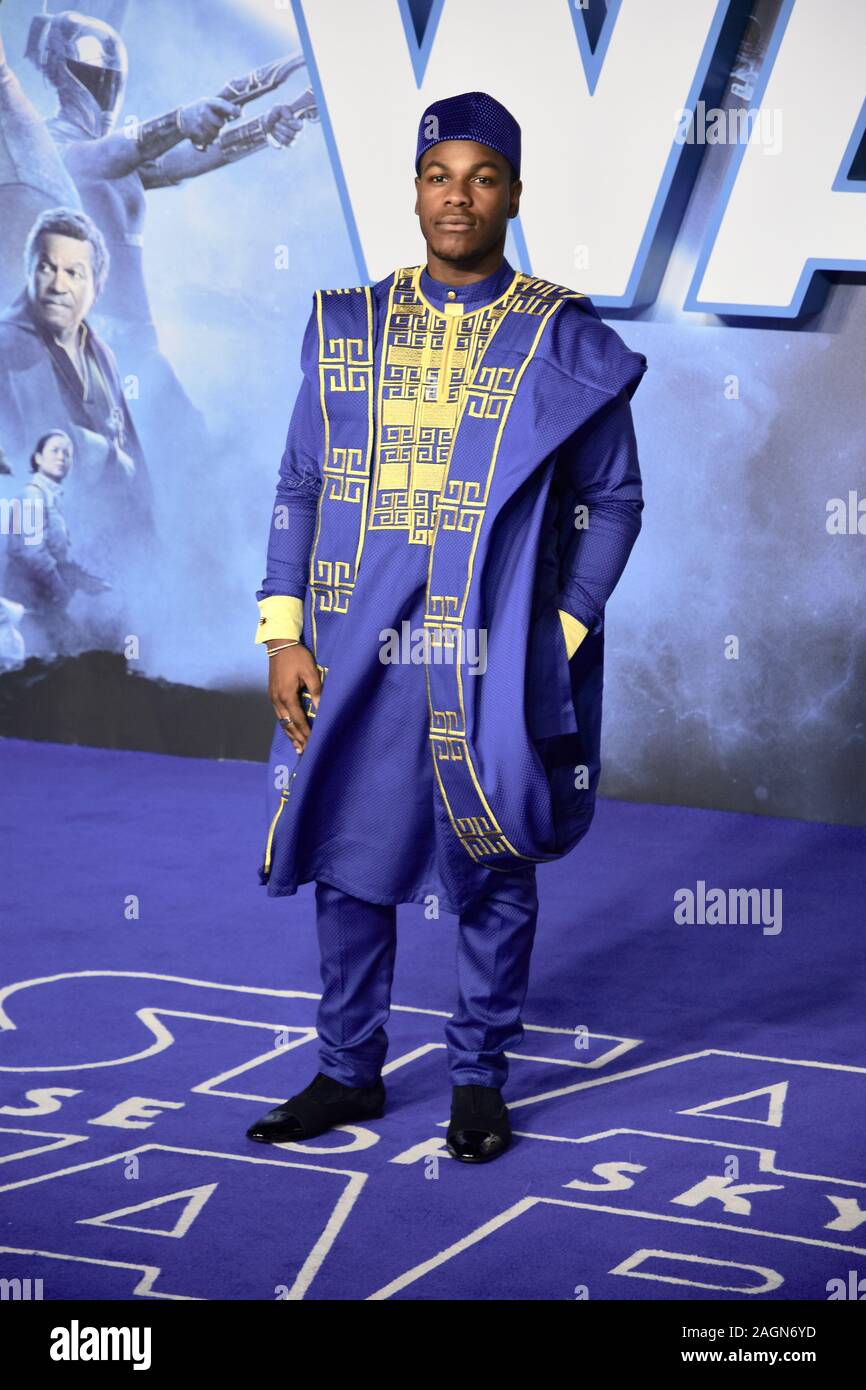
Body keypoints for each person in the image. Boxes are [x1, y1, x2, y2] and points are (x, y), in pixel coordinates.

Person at [246, 92, 647, 1164]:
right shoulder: (348, 324)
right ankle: (346, 1070)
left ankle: (478, 1075)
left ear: (512, 192)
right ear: (413, 188)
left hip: (486, 652)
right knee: (345, 851)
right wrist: (283, 632)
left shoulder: (561, 338)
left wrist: (554, 634)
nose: (455, 197)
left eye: (480, 178)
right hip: (355, 637)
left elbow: (613, 499)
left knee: (492, 856)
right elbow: (297, 481)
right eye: (437, 176)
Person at [0, 206, 153, 560]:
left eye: (74, 273)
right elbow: (31, 445)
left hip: (111, 552)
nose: (58, 285)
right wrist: (108, 457)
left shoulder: (100, 353)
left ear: (95, 288)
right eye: (46, 268)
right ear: (30, 272)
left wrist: (147, 537)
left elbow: (131, 450)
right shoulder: (9, 346)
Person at [2, 428, 110, 657]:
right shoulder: (32, 496)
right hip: (29, 603)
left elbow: (53, 554)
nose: (61, 457)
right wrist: (60, 589)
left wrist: (83, 580)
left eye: (67, 453)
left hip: (43, 600)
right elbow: (33, 554)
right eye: (55, 451)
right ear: (38, 458)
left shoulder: (49, 496)